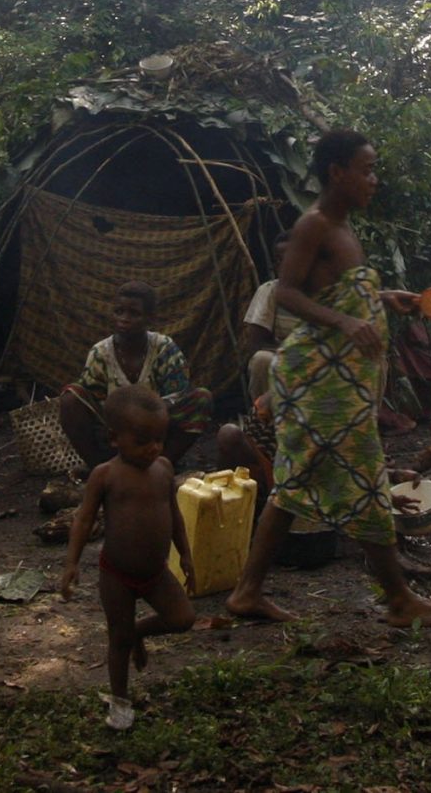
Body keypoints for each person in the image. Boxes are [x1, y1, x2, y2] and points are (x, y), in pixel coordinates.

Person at [225, 130, 431, 629]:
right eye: (367, 169)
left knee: (293, 486)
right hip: (319, 384)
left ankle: (247, 592)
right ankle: (397, 599)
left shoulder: (345, 229)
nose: (374, 180)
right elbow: (286, 292)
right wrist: (346, 323)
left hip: (340, 385)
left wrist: (382, 297)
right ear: (337, 172)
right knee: (366, 480)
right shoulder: (314, 225)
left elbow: (332, 292)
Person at [58, 384, 196, 731]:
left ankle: (139, 633)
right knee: (116, 639)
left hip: (156, 572)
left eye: (160, 439)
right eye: (143, 440)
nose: (154, 448)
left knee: (183, 618)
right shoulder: (106, 475)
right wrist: (71, 563)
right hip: (116, 573)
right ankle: (120, 701)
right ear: (114, 438)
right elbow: (85, 519)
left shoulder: (163, 469)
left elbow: (176, 517)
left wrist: (188, 557)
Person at [58, 281, 212, 470]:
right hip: (116, 430)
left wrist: (143, 414)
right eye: (119, 311)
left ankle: (162, 465)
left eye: (134, 313)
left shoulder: (164, 348)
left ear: (150, 318)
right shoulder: (101, 352)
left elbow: (178, 394)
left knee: (202, 398)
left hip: (156, 427)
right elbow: (94, 400)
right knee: (70, 400)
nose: (124, 319)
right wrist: (125, 417)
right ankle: (101, 468)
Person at [212, 226, 302, 501]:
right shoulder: (270, 291)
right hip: (284, 366)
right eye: (278, 260)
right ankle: (266, 435)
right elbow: (256, 343)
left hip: (316, 374)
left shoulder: (324, 295)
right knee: (263, 361)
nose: (284, 266)